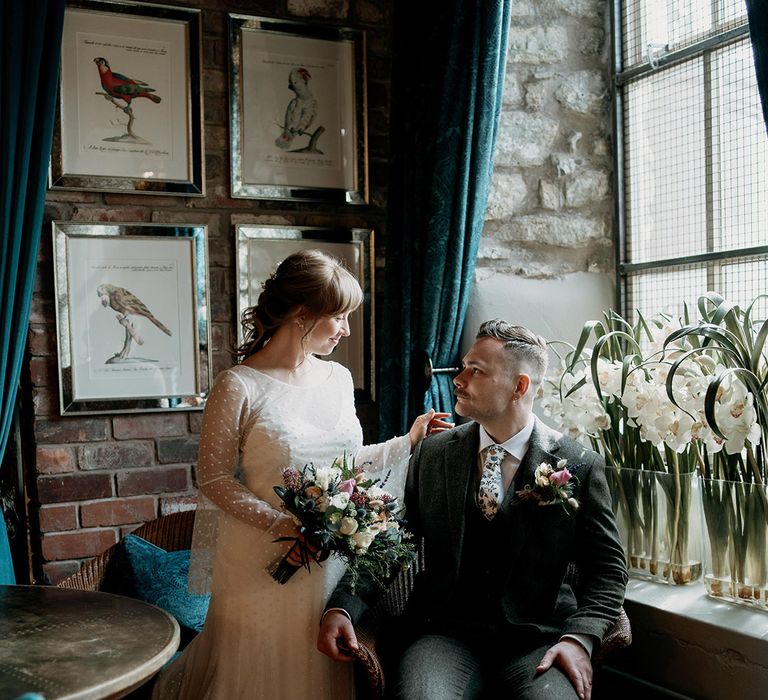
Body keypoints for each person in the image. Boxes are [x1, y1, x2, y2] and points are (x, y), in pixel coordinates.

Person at [151, 250, 451, 700]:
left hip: (328, 560)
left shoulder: (338, 378)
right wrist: (284, 524)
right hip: (260, 560)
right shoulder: (238, 385)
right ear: (301, 313)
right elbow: (213, 479)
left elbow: (346, 465)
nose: (347, 329)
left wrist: (408, 441)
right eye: (340, 316)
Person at [318, 320, 628, 700]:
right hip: (444, 637)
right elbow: (393, 542)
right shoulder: (433, 454)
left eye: (476, 371)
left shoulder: (578, 465)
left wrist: (580, 638)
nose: (458, 379)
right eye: (464, 366)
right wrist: (343, 608)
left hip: (538, 640)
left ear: (520, 386)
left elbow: (608, 570)